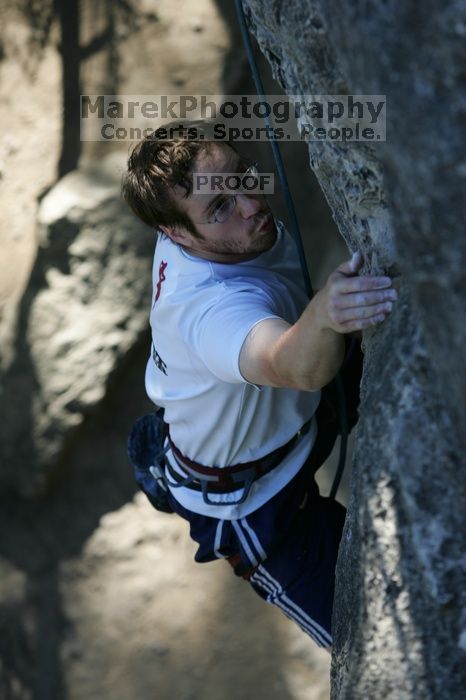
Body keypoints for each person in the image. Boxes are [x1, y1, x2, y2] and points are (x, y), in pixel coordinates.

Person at [122, 121, 398, 648]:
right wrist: (324, 314)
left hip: (287, 423)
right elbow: (295, 365)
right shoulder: (210, 312)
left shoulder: (200, 223)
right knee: (370, 636)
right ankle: (170, 475)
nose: (250, 204)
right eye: (220, 208)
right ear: (175, 235)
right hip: (253, 505)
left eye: (243, 176)